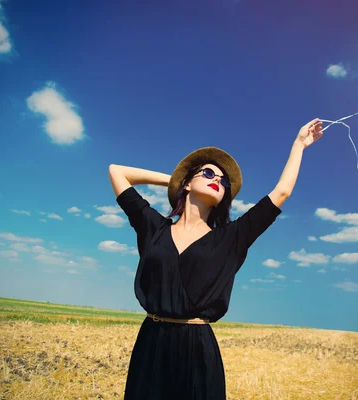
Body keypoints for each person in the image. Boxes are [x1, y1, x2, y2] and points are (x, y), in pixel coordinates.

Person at [108, 119, 323, 399]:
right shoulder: (154, 228)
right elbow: (117, 172)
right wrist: (174, 180)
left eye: (223, 182)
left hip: (197, 349)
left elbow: (281, 192)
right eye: (208, 173)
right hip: (151, 343)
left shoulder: (232, 238)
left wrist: (299, 145)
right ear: (187, 184)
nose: (217, 180)